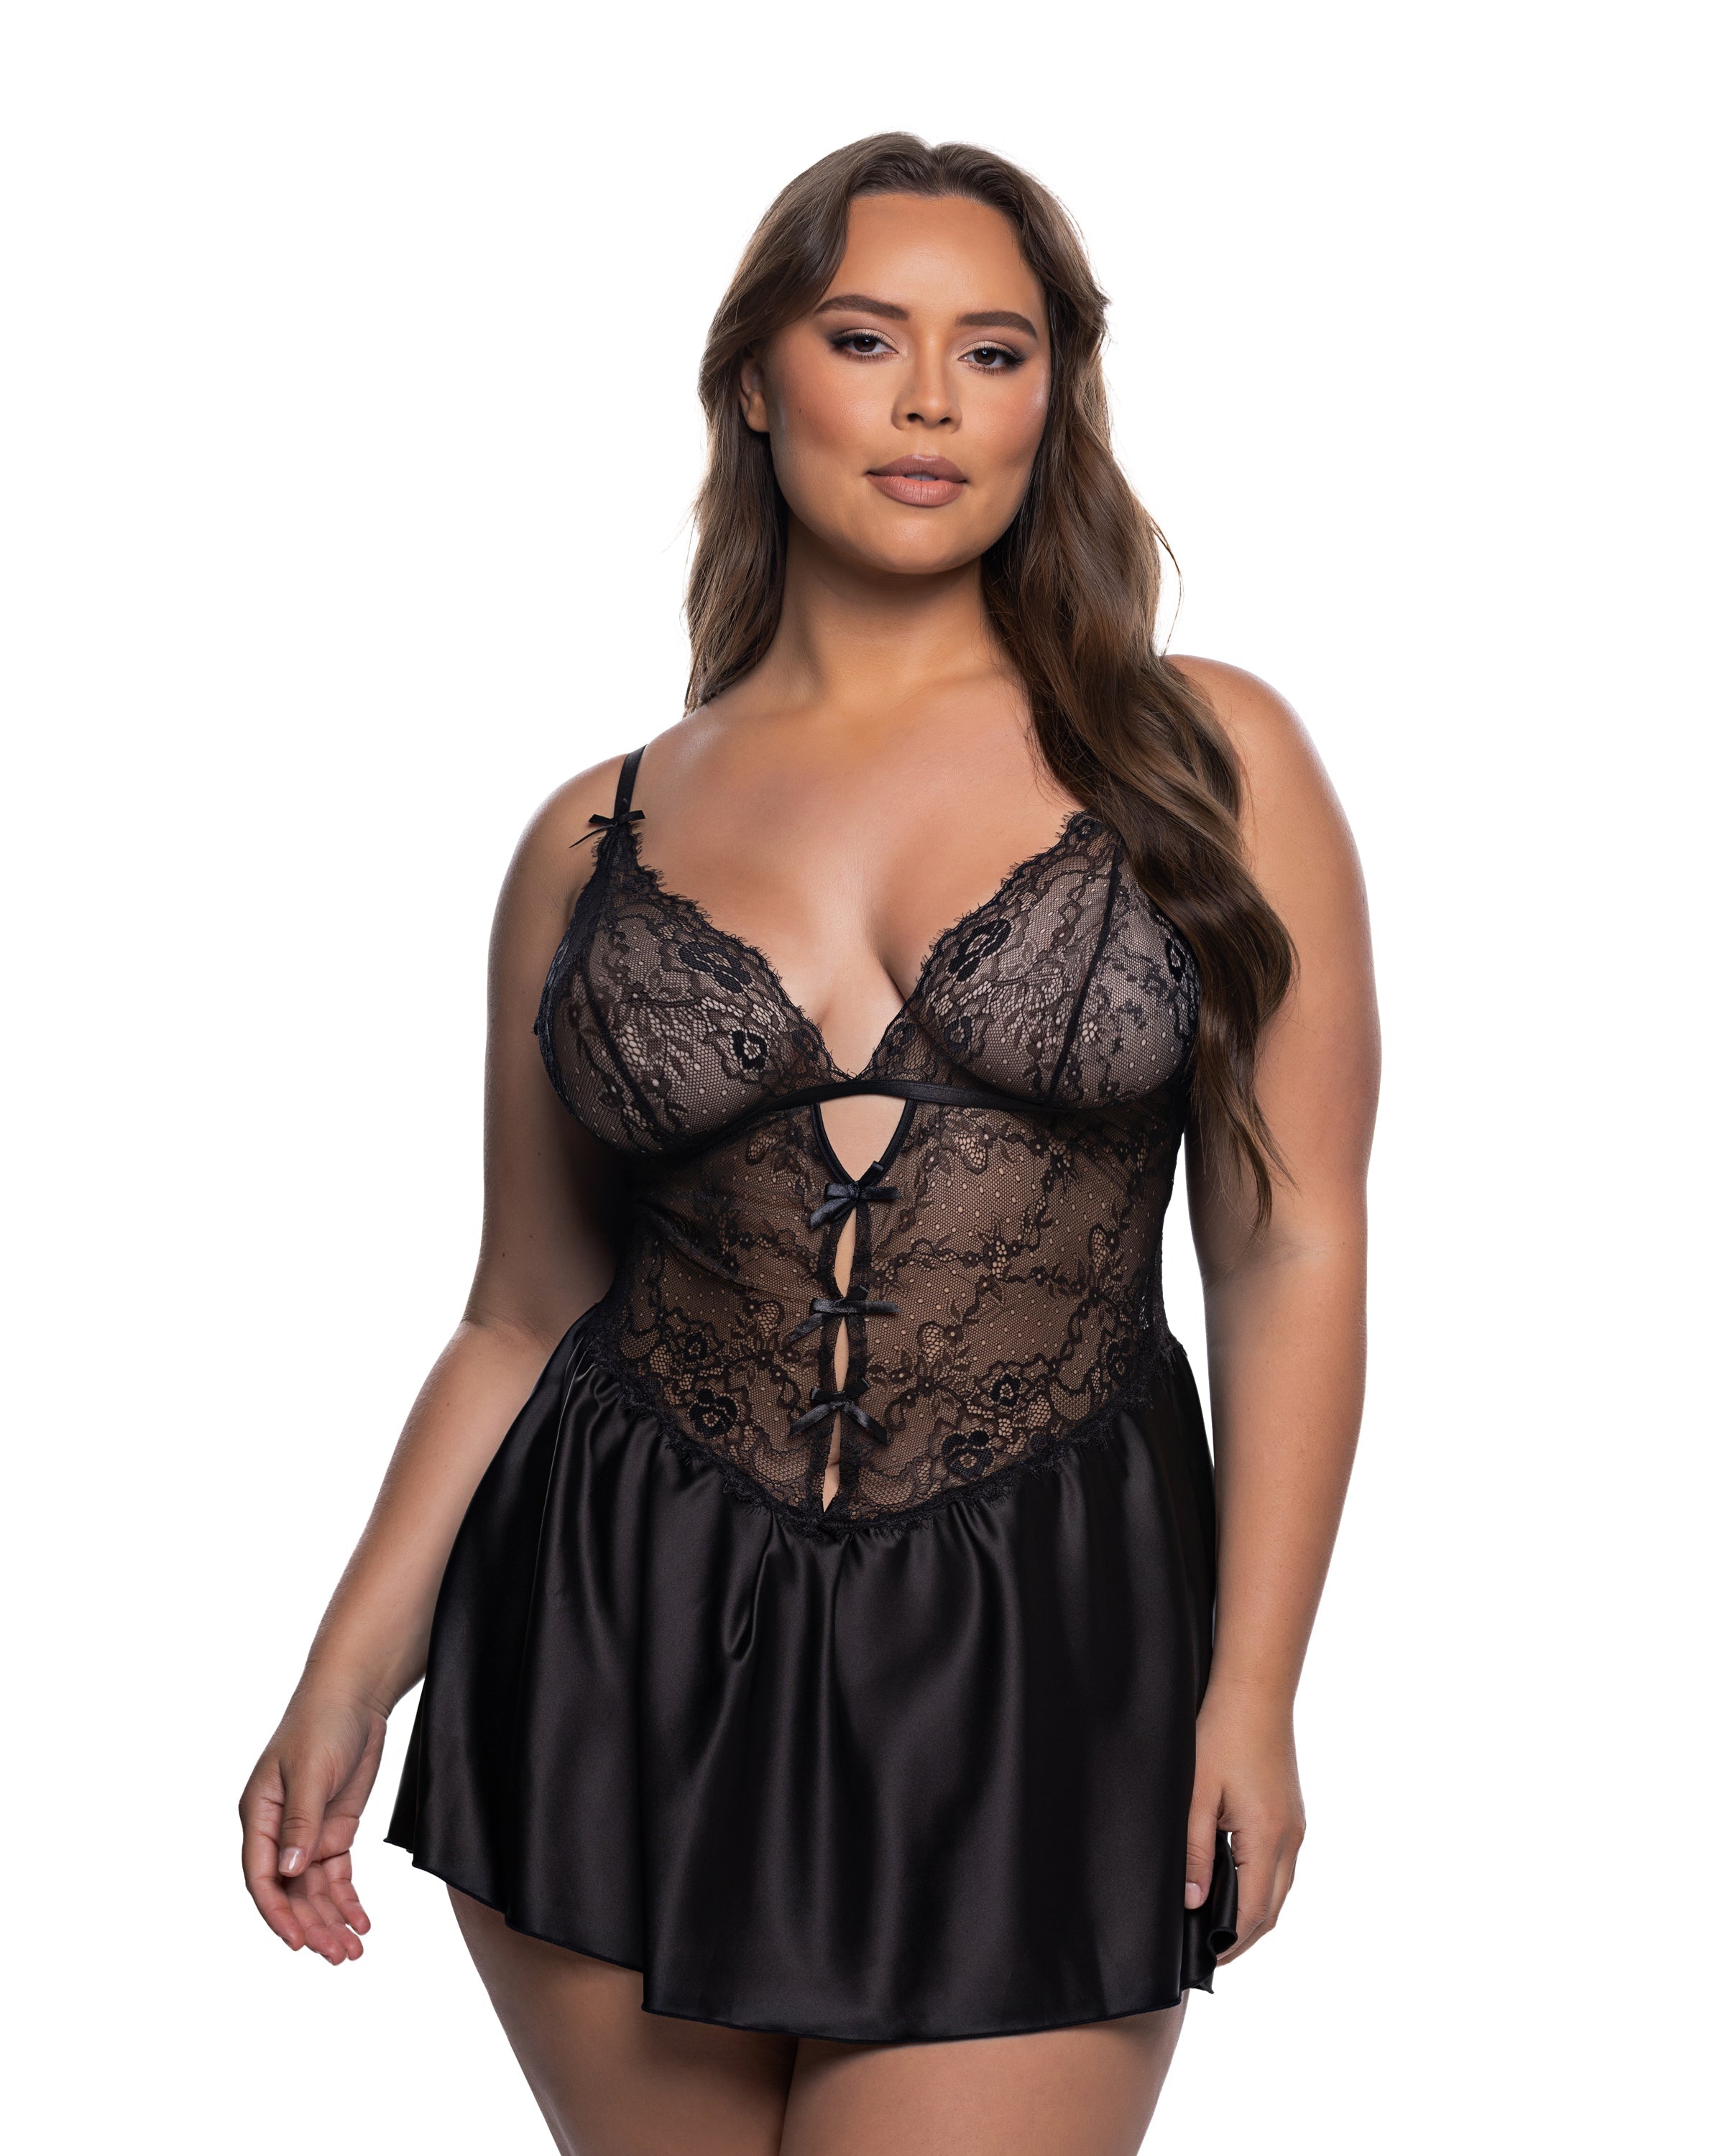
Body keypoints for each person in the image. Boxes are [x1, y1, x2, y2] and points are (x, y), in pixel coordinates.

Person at [240, 133, 1379, 2155]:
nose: (932, 399)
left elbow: (1288, 1245)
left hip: (1045, 1656)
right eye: (867, 339)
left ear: (1055, 399)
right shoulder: (593, 833)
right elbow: (522, 1309)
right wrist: (346, 1671)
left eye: (995, 351)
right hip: (611, 1631)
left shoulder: (1208, 758)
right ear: (757, 383)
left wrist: (1256, 1685)